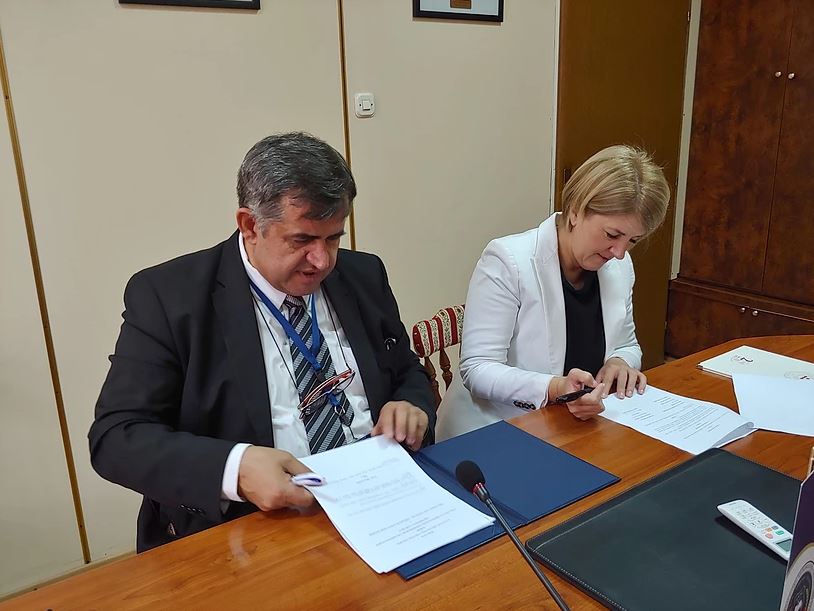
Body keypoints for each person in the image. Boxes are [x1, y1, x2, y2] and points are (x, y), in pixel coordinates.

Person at [89, 132, 435, 551]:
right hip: (252, 529)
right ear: (250, 225)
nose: (322, 261)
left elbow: (406, 370)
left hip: (379, 501)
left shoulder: (363, 275)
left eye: (333, 238)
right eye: (301, 240)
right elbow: (116, 438)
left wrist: (410, 404)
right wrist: (235, 468)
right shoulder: (169, 297)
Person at [436, 144, 671, 440]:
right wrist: (553, 388)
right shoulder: (508, 260)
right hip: (494, 428)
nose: (620, 252)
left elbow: (627, 343)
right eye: (612, 234)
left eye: (633, 240)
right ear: (576, 211)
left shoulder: (619, 267)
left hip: (573, 426)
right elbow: (478, 369)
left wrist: (620, 363)